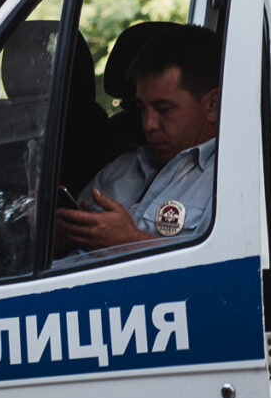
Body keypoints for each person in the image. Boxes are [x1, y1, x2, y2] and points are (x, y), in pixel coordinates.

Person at [56, 24, 222, 252]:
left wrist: (129, 242)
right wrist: (62, 231)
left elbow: (223, 275)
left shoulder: (225, 182)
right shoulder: (122, 169)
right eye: (141, 108)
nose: (148, 124)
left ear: (212, 105)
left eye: (164, 109)